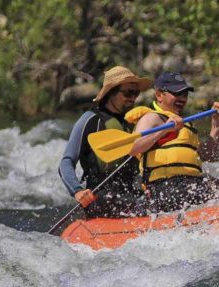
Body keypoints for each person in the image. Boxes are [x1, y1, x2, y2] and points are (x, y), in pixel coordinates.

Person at [126, 71, 219, 213]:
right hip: (163, 188)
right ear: (159, 95)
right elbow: (133, 148)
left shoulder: (186, 124)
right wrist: (164, 130)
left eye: (185, 94)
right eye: (176, 93)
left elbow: (207, 156)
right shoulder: (152, 118)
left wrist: (216, 126)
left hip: (190, 184)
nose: (182, 98)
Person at [58, 66, 150, 217]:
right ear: (111, 93)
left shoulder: (135, 123)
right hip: (101, 196)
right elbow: (66, 162)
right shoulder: (90, 120)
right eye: (128, 92)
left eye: (136, 93)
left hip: (132, 193)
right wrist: (77, 191)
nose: (133, 97)